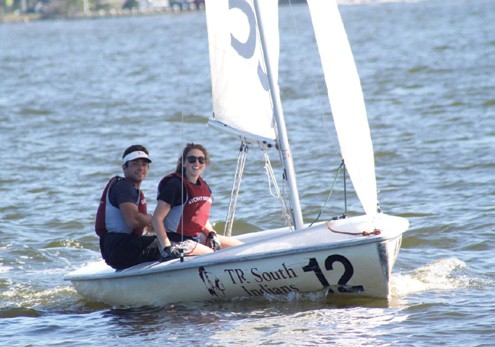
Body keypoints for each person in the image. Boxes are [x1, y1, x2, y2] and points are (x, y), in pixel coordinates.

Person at [152, 143, 243, 259]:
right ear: (184, 163)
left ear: (205, 164)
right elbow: (157, 218)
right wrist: (167, 247)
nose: (196, 163)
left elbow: (200, 218)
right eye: (192, 159)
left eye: (201, 160)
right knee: (214, 256)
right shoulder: (175, 185)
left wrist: (211, 234)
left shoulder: (204, 186)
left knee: (241, 248)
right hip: (175, 241)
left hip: (196, 237)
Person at [95, 144, 161, 270]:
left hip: (119, 248)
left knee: (168, 237)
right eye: (135, 164)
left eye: (144, 164)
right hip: (121, 249)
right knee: (176, 245)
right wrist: (154, 218)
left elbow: (142, 224)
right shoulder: (124, 187)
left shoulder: (132, 189)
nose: (140, 168)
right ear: (124, 167)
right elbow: (134, 221)